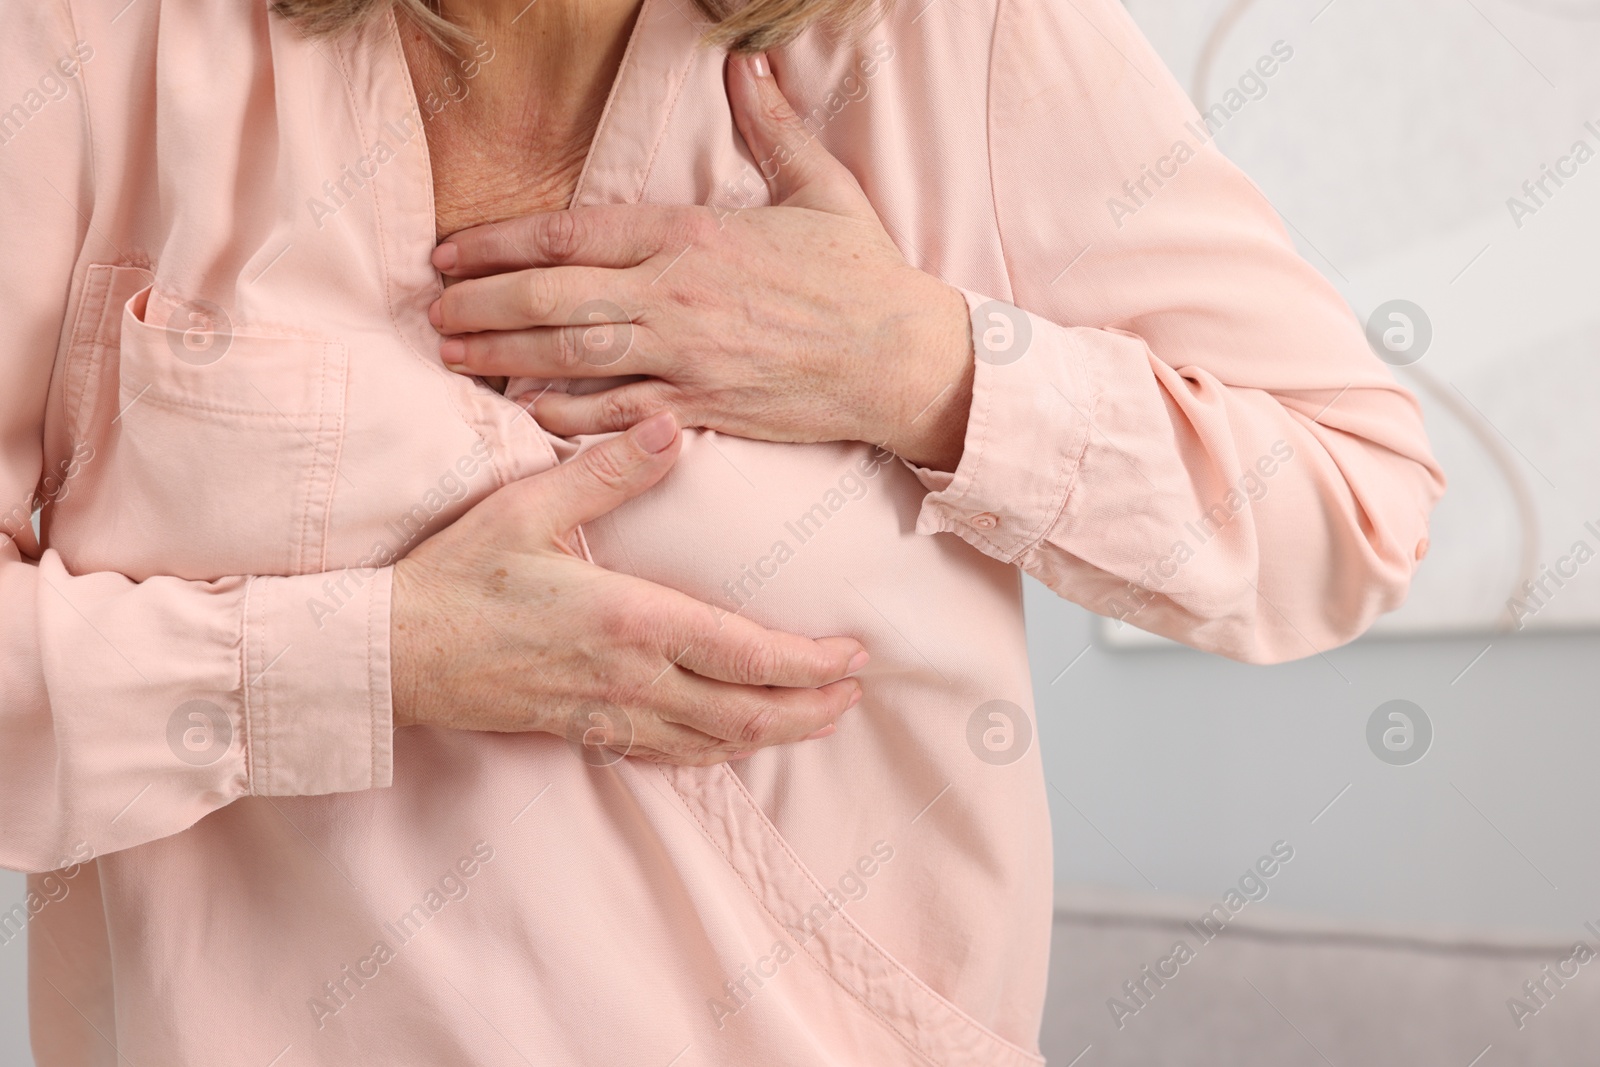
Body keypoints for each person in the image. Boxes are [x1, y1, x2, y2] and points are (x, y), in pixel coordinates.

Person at [0, 0, 1443, 1062]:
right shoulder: (89, 43)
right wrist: (362, 662)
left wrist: (921, 364)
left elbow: (1346, 500)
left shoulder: (958, 36)